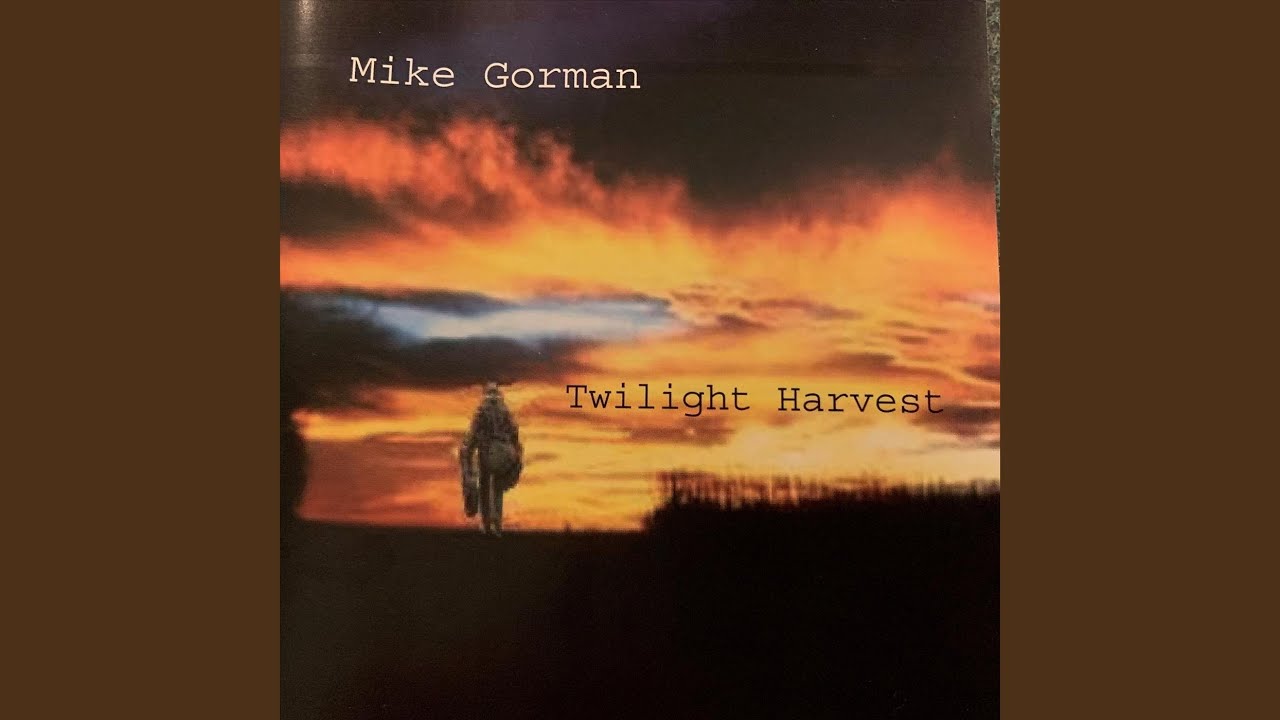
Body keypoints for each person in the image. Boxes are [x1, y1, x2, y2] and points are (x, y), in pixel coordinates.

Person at [460, 382, 523, 536]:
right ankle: (497, 525)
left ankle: (487, 525)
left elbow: (472, 437)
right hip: (506, 454)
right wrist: (516, 459)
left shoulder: (482, 411)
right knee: (498, 488)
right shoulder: (506, 412)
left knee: (484, 485)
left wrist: (468, 461)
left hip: (488, 453)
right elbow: (515, 436)